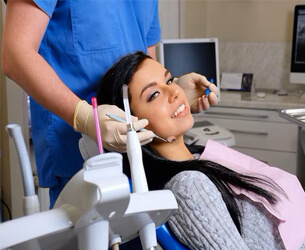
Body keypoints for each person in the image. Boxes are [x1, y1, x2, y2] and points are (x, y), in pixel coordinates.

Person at [97, 51, 305, 250]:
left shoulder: (199, 157)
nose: (175, 92)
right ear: (132, 125)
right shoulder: (189, 187)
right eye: (154, 95)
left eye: (169, 80)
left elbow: (292, 220)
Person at [1, 0, 218, 208]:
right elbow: (15, 54)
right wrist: (85, 117)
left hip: (141, 159)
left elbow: (146, 65)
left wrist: (173, 91)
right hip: (80, 159)